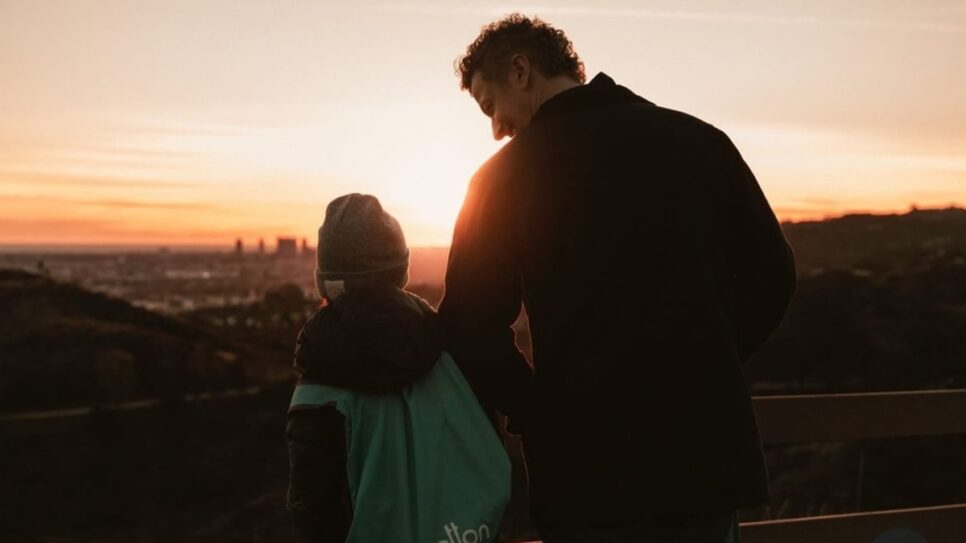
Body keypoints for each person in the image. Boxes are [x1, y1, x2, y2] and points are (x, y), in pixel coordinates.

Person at [438, 14, 797, 543]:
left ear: (520, 70)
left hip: (588, 477)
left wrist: (542, 410)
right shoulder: (699, 141)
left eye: (490, 106)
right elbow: (774, 274)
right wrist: (705, 360)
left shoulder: (501, 178)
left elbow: (468, 326)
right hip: (700, 461)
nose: (495, 128)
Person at [286, 193, 510, 542]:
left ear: (326, 282)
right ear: (400, 271)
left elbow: (314, 507)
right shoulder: (449, 348)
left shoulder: (320, 374)